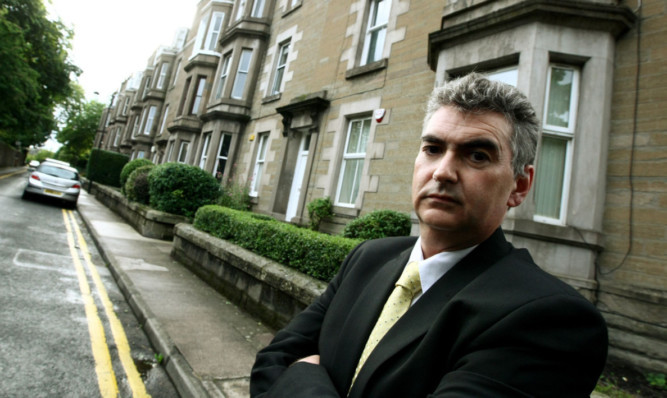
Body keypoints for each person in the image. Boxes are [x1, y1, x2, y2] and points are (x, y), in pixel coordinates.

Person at [250, 73, 608, 397]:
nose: (444, 172)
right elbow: (272, 360)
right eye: (433, 149)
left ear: (519, 185)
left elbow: (286, 371)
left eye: (478, 156)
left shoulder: (549, 319)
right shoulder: (368, 258)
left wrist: (302, 379)